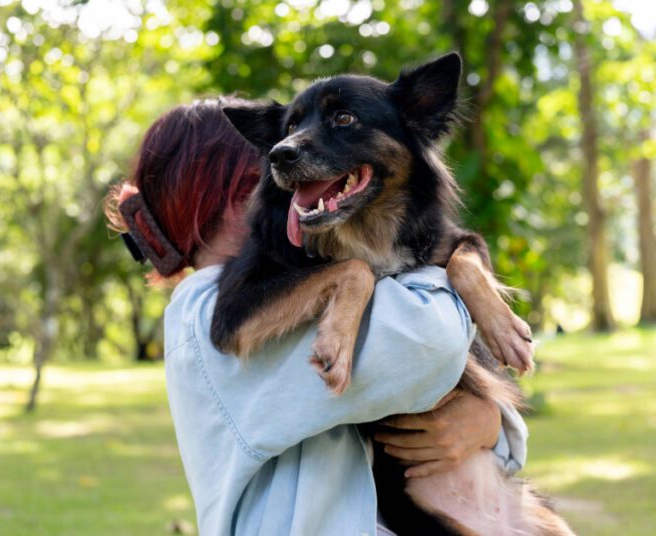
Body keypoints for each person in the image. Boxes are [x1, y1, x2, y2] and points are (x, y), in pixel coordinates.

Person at [107, 98, 528, 535]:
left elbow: (419, 400)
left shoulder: (301, 280)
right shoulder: (211, 310)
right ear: (235, 193)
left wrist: (490, 423)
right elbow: (427, 344)